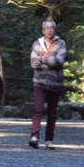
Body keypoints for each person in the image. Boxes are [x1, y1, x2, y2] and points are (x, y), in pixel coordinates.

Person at [29, 18, 66, 149]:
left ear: (54, 30)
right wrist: (49, 61)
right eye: (47, 28)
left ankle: (49, 139)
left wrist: (42, 59)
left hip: (55, 83)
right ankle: (34, 136)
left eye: (51, 28)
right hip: (39, 81)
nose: (49, 30)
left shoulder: (61, 43)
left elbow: (59, 61)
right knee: (38, 108)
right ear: (43, 30)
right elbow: (34, 63)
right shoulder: (37, 44)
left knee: (52, 112)